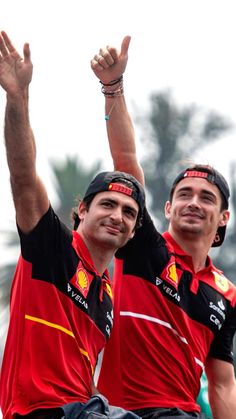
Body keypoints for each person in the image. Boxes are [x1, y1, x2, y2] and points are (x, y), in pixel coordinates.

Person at [0, 31, 145, 419]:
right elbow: (23, 175)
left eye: (129, 213)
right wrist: (18, 98)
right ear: (81, 210)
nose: (118, 215)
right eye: (108, 204)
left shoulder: (108, 292)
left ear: (134, 231)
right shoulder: (53, 248)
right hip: (41, 411)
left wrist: (114, 87)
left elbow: (83, 376)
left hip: (82, 409)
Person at [90, 36, 236, 418]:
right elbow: (126, 160)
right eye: (184, 194)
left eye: (207, 197)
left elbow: (221, 383)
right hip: (118, 413)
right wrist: (112, 87)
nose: (193, 202)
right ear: (168, 207)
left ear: (223, 218)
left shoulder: (227, 294)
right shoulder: (145, 248)